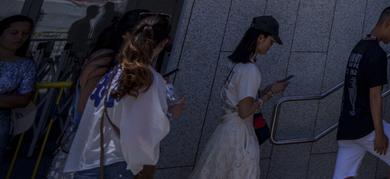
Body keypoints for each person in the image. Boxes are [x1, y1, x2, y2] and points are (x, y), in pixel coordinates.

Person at [64, 14, 184, 179]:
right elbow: (144, 128)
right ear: (164, 43)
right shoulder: (147, 77)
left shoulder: (116, 71)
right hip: (118, 161)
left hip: (90, 156)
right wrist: (171, 113)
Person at [191, 16, 289, 178]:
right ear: (261, 37)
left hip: (226, 131)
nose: (270, 46)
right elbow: (244, 111)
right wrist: (270, 94)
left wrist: (265, 91)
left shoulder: (237, 65)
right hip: (240, 135)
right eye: (271, 41)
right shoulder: (251, 70)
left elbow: (239, 99)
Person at [334, 7, 390, 179]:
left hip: (347, 126)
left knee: (344, 176)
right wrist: (379, 133)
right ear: (387, 23)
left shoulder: (358, 47)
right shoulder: (377, 54)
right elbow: (374, 96)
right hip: (366, 127)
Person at [0, 15, 35, 156]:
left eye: (24, 34)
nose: (20, 37)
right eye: (14, 33)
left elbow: (23, 99)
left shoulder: (25, 65)